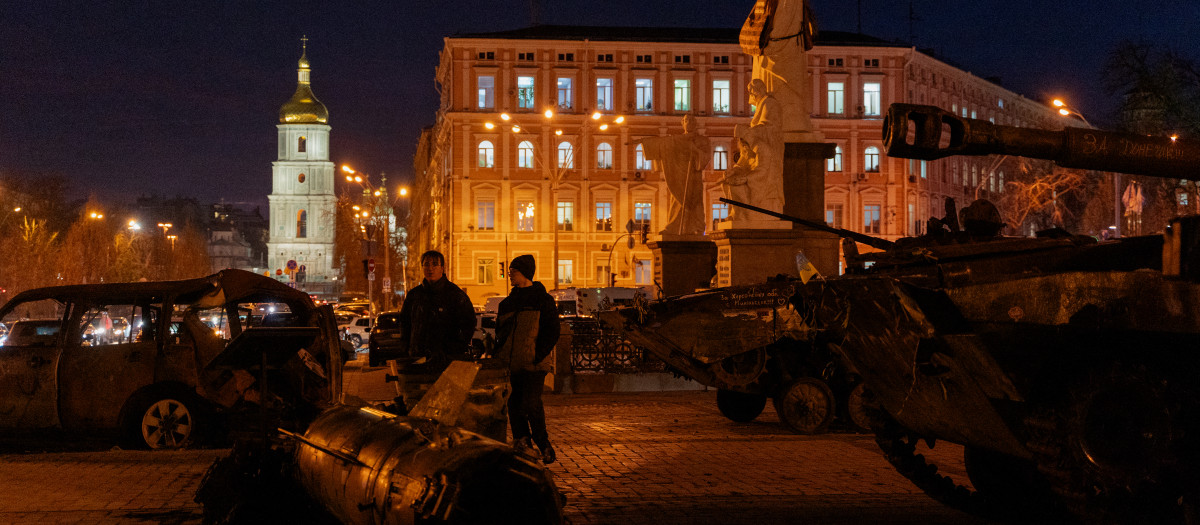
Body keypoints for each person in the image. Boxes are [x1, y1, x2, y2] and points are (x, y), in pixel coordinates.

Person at [494, 254, 560, 464]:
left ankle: (543, 444)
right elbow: (500, 333)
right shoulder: (507, 303)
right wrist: (499, 353)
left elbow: (552, 331)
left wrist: (537, 354)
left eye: (514, 271)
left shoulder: (543, 300)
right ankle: (522, 443)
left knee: (530, 403)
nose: (510, 275)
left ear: (525, 273)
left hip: (534, 364)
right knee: (514, 404)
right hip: (512, 364)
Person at [396, 250, 477, 371]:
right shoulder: (414, 295)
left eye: (435, 264)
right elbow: (405, 322)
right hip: (417, 358)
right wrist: (406, 348)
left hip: (447, 361)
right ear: (422, 267)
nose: (430, 268)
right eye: (427, 264)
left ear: (442, 268)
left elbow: (468, 324)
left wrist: (454, 349)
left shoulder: (455, 295)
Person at [632, 114, 711, 236]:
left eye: (691, 120)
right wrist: (649, 142)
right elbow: (664, 145)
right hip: (679, 173)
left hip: (693, 175)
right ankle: (673, 228)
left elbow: (705, 158)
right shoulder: (676, 139)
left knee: (695, 201)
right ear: (682, 123)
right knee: (677, 199)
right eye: (685, 120)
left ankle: (697, 228)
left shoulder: (702, 140)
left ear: (695, 123)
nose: (688, 122)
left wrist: (694, 149)